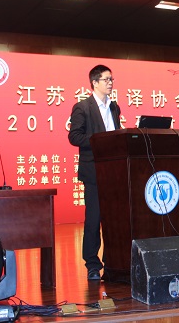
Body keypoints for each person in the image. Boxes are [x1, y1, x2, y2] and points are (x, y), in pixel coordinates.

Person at [68, 65, 122, 281]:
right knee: (93, 219)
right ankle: (92, 264)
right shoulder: (83, 107)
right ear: (95, 82)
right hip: (93, 172)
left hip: (114, 171)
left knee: (114, 220)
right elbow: (74, 137)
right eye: (107, 79)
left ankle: (113, 262)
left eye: (112, 79)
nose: (110, 83)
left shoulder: (114, 107)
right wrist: (99, 141)